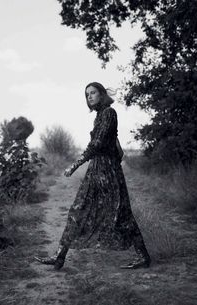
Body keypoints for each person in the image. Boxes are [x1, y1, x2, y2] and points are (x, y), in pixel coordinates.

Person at [35, 82, 151, 270]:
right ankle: (59, 256)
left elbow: (97, 144)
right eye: (87, 94)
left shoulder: (109, 113)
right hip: (96, 172)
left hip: (108, 174)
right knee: (77, 211)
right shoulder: (99, 116)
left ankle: (144, 257)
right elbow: (114, 144)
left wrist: (75, 164)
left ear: (102, 94)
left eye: (93, 93)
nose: (89, 97)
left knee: (122, 215)